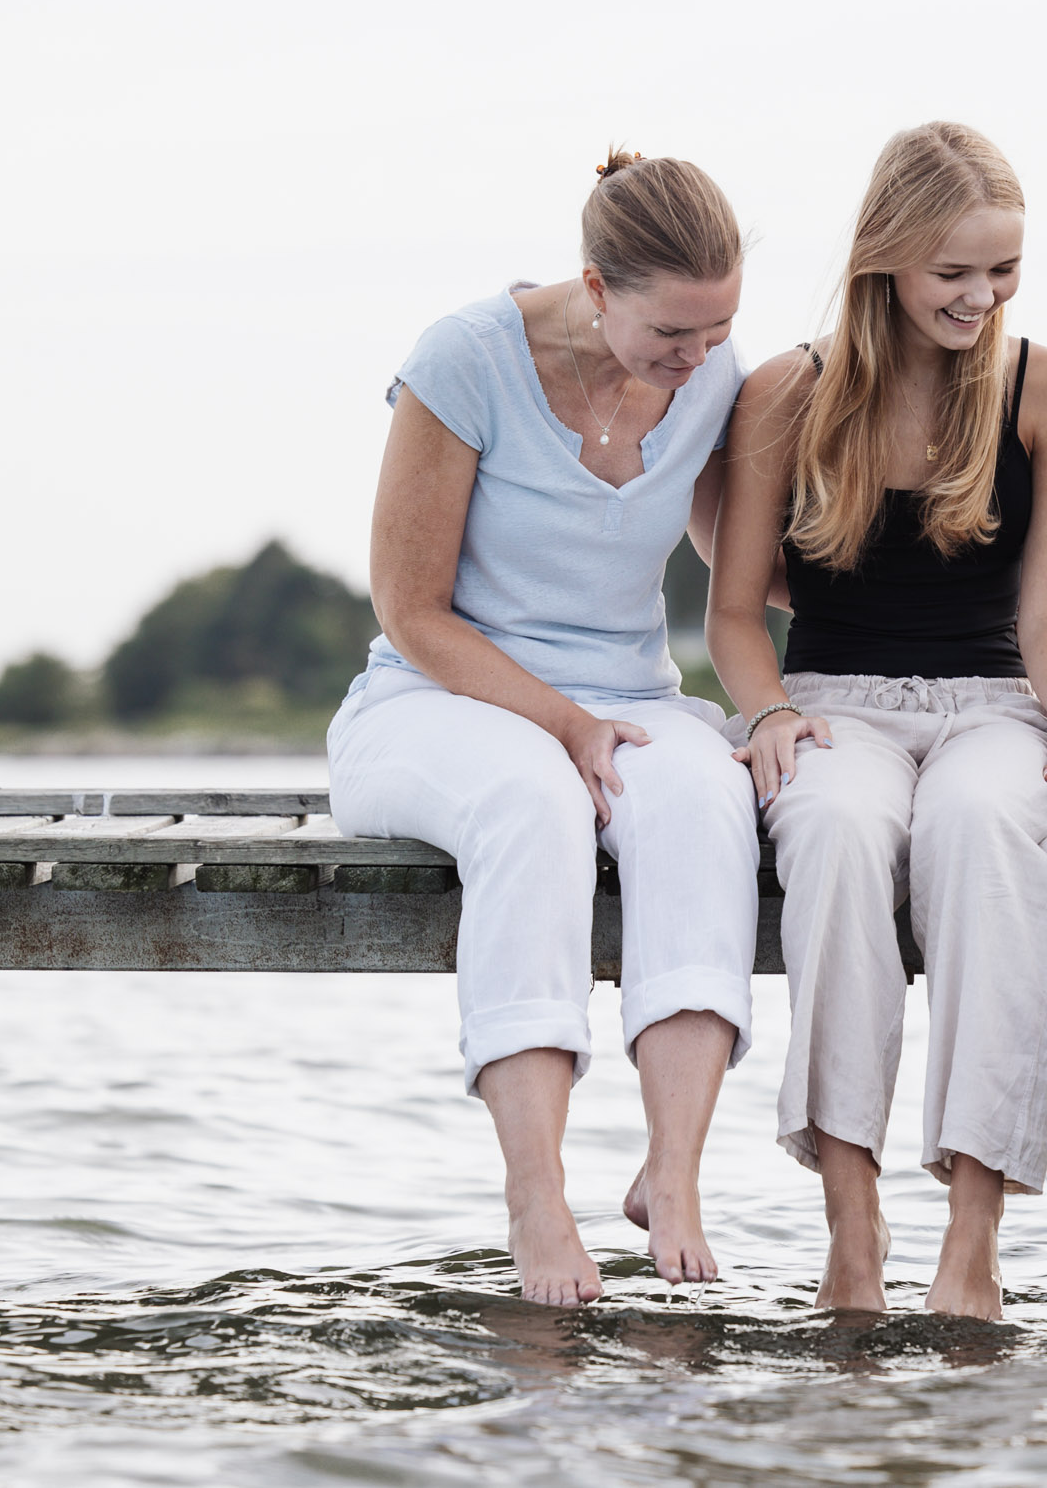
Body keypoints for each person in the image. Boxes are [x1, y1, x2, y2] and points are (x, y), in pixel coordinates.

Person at [329, 151, 758, 1308]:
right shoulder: (464, 358)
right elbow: (411, 611)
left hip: (627, 697)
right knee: (534, 799)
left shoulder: (715, 376)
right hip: (439, 698)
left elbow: (738, 563)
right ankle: (535, 1192)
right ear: (594, 284)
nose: (696, 357)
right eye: (673, 331)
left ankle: (671, 1173)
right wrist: (563, 722)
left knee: (707, 795)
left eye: (718, 330)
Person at [707, 122, 1047, 1321]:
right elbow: (730, 614)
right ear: (885, 259)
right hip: (834, 705)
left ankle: (973, 1237)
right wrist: (767, 712)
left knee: (997, 826)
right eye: (954, 273)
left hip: (994, 702)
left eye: (1004, 271)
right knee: (828, 832)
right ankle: (852, 1219)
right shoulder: (791, 390)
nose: (980, 297)